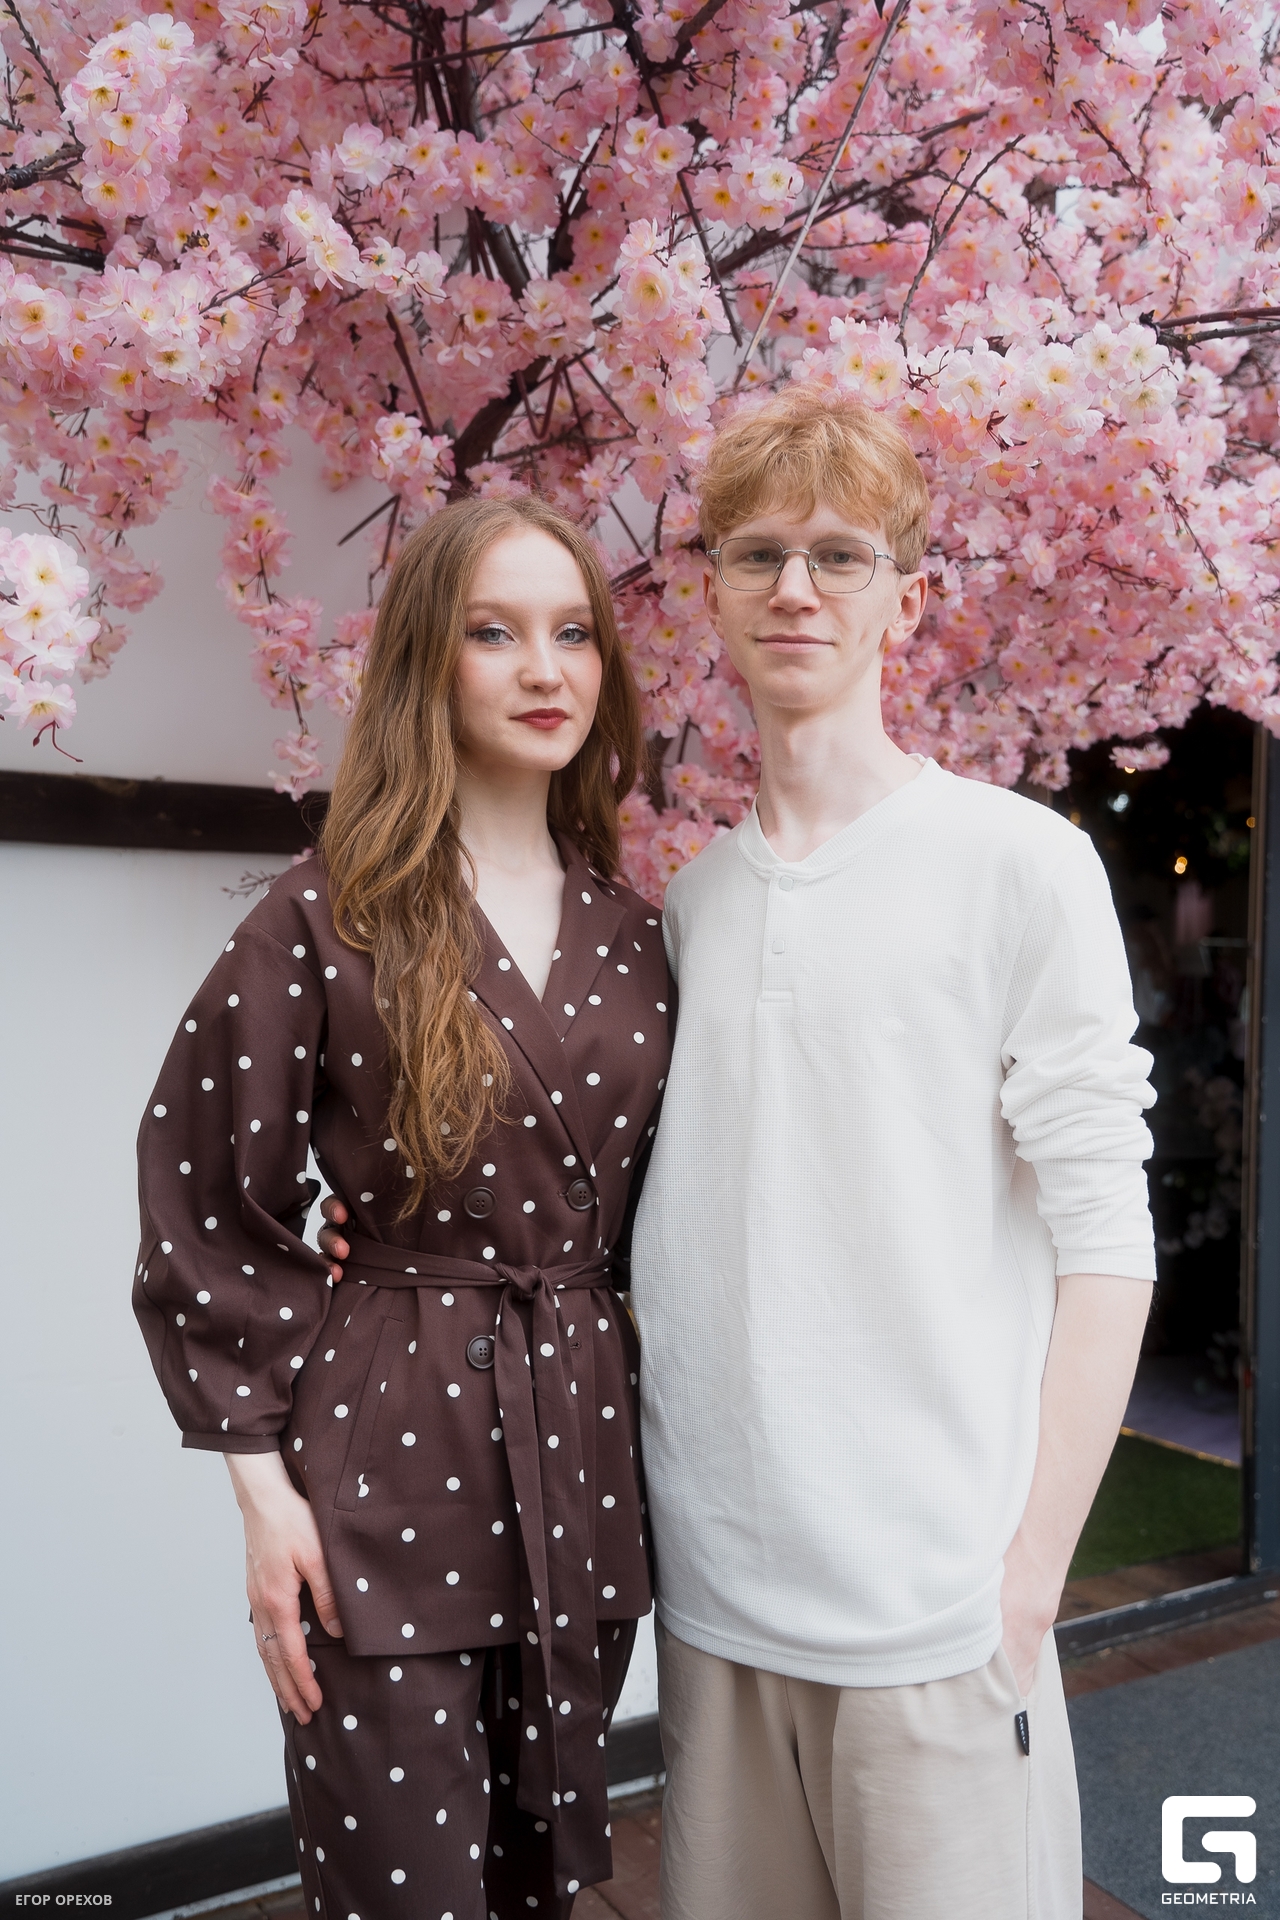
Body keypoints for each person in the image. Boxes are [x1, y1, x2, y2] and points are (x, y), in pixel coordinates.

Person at [630, 388, 1157, 1920]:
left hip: (935, 1620)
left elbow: (1105, 1239)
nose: (795, 588)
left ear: (904, 600)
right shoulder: (695, 903)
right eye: (758, 554)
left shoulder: (1020, 865)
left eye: (840, 556)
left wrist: (1028, 1578)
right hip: (715, 1608)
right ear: (713, 595)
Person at [133, 495, 673, 1920]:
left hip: (583, 1452)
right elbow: (205, 1192)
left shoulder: (641, 936)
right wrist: (262, 1498)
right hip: (384, 1458)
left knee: (536, 1886)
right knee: (404, 1891)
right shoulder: (328, 915)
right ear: (429, 660)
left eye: (573, 634)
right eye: (495, 634)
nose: (545, 670)